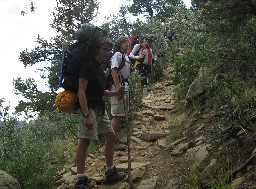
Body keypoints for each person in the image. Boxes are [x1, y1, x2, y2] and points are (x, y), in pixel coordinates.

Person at [74, 36, 126, 189]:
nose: (107, 53)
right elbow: (81, 92)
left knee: (110, 135)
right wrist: (86, 115)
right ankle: (80, 180)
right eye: (104, 49)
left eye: (109, 50)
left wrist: (116, 93)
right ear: (96, 49)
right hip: (88, 107)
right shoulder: (87, 66)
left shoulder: (99, 67)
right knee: (84, 141)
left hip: (99, 106)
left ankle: (110, 172)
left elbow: (100, 92)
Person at [109, 36, 131, 149]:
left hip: (124, 86)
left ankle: (114, 140)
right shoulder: (117, 55)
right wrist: (118, 89)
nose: (127, 44)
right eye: (124, 42)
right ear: (119, 44)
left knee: (120, 115)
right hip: (118, 87)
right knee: (116, 115)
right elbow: (114, 72)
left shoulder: (125, 57)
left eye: (128, 42)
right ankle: (111, 143)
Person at [128, 34, 155, 99]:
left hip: (146, 66)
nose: (148, 42)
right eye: (147, 40)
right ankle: (137, 98)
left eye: (149, 41)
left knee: (143, 82)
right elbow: (130, 55)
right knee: (138, 81)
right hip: (139, 64)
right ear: (144, 40)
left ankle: (140, 98)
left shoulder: (149, 49)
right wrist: (138, 57)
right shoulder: (138, 46)